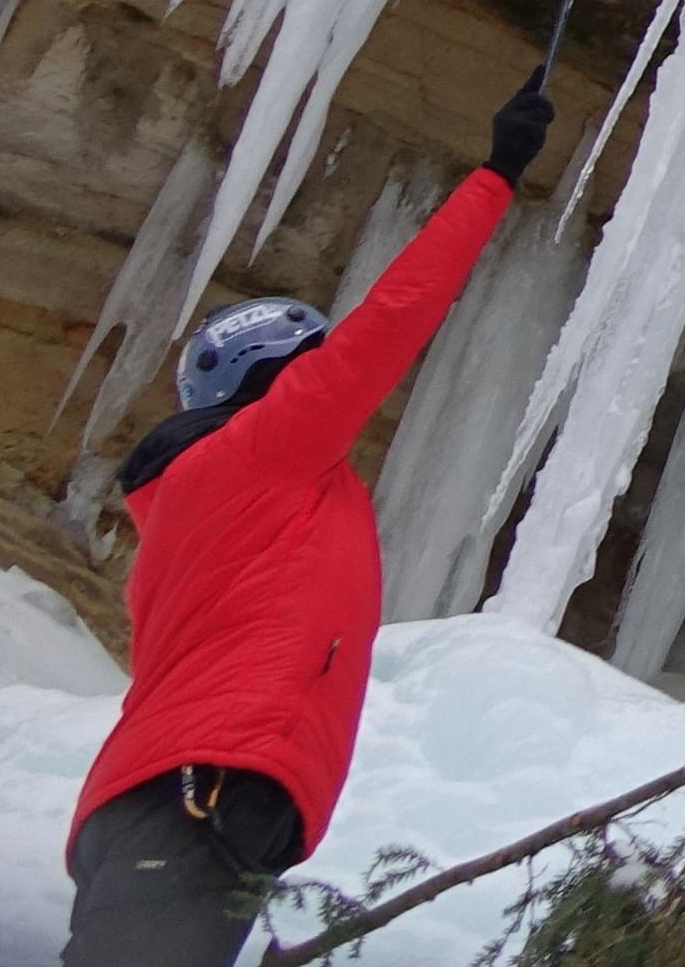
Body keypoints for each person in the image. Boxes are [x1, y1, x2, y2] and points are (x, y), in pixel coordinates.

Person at [60, 75, 557, 965]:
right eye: (308, 369)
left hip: (171, 795)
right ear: (275, 379)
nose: (325, 385)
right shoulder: (260, 451)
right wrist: (497, 175)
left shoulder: (197, 508)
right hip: (204, 785)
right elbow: (393, 321)